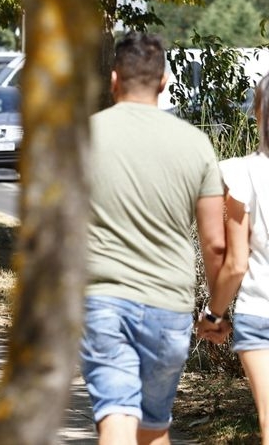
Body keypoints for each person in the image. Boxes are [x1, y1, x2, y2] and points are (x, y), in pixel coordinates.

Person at [81, 31, 225, 445]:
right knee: (153, 426)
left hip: (104, 302)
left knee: (117, 418)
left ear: (113, 79)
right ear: (164, 82)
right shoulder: (195, 145)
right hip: (169, 309)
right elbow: (215, 244)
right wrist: (214, 314)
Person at [198, 73, 269, 444]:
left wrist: (214, 315)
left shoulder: (242, 173)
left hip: (262, 311)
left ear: (258, 112)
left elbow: (236, 262)